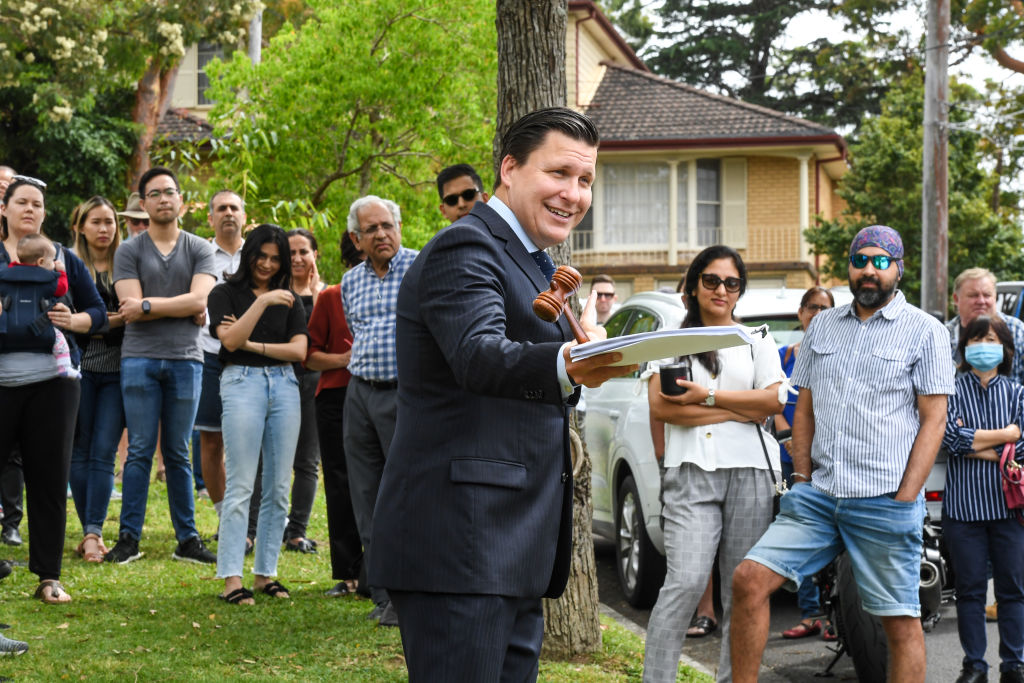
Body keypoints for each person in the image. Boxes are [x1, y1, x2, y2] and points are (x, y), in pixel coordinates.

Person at [370, 107, 634, 680]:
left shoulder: (532, 262)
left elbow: (531, 384)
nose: (574, 193)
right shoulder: (465, 247)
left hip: (512, 545)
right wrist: (571, 361)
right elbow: (478, 355)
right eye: (560, 173)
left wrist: (580, 349)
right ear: (509, 168)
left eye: (586, 180)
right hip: (461, 543)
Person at [730, 225, 955, 683]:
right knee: (748, 581)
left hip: (884, 500)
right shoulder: (825, 326)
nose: (869, 270)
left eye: (881, 261)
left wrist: (906, 496)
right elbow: (805, 405)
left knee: (899, 621)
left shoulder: (925, 331)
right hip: (819, 498)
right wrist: (802, 478)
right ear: (849, 267)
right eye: (861, 260)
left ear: (898, 268)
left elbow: (934, 420)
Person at [641, 245, 786, 683]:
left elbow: (773, 399)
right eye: (711, 280)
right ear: (693, 285)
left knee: (740, 590)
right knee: (684, 583)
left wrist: (706, 398)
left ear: (740, 290)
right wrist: (739, 411)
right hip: (690, 472)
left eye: (731, 282)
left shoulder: (757, 338)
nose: (721, 289)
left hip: (752, 475)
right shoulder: (669, 341)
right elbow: (662, 409)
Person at [0, 175, 105, 604]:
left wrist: (73, 321)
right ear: (3, 209)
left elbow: (99, 310)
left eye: (37, 204)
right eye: (21, 202)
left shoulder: (62, 258)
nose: (30, 209)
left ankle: (48, 578)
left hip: (55, 383)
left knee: (48, 477)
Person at [106, 167, 218, 565]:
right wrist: (177, 306)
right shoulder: (130, 250)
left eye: (170, 192)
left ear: (181, 201)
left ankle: (187, 540)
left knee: (178, 453)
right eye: (155, 193)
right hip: (139, 359)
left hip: (187, 360)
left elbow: (200, 302)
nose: (164, 199)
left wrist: (150, 305)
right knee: (138, 450)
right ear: (144, 203)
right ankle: (128, 539)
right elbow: (128, 310)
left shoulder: (200, 249)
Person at [208, 223, 307, 605]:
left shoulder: (293, 299)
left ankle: (266, 574)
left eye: (275, 258)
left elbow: (299, 351)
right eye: (260, 255)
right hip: (241, 382)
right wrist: (263, 303)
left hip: (284, 385)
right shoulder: (223, 293)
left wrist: (251, 343)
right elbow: (229, 341)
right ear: (249, 253)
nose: (266, 264)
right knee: (241, 484)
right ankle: (232, 578)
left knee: (279, 487)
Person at [340, 194, 418, 626]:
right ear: (357, 238)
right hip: (361, 394)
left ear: (399, 227)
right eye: (371, 229)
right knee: (366, 494)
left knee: (404, 496)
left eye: (387, 225)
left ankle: (411, 595)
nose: (381, 234)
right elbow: (357, 331)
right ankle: (384, 595)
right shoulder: (351, 282)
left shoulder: (421, 266)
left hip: (406, 395)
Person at [943, 315, 1024, 683]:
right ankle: (974, 664)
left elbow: (1022, 446)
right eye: (976, 339)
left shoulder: (1018, 393)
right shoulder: (951, 390)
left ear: (1005, 348)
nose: (983, 345)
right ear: (964, 347)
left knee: (1013, 591)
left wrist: (976, 440)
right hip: (964, 510)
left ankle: (1014, 664)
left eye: (991, 338)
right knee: (970, 591)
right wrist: (1005, 436)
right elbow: (949, 440)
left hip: (1011, 510)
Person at [774, 286, 835, 640]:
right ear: (800, 312)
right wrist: (790, 441)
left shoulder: (840, 354)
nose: (817, 313)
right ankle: (810, 613)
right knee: (800, 535)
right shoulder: (783, 357)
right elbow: (774, 403)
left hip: (829, 461)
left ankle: (833, 617)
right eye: (812, 307)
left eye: (825, 308)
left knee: (830, 537)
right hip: (791, 462)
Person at [305, 236, 364, 597]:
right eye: (359, 260)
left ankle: (380, 572)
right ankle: (348, 571)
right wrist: (345, 360)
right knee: (340, 483)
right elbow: (309, 355)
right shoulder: (331, 298)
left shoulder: (397, 294)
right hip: (336, 396)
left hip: (386, 394)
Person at [68, 197, 125, 563]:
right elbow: (66, 316)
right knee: (78, 450)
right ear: (80, 227)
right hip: (79, 367)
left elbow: (133, 312)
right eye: (96, 222)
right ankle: (89, 532)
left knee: (104, 451)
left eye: (110, 222)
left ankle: (93, 532)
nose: (104, 229)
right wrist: (112, 319)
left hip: (119, 370)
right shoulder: (69, 265)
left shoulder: (127, 264)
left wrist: (92, 320)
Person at [194, 190, 245, 527]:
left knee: (251, 440)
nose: (228, 213)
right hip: (208, 356)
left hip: (251, 357)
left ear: (244, 216)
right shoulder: (198, 255)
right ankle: (225, 515)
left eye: (234, 208)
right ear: (210, 218)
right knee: (211, 439)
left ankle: (253, 518)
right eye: (221, 208)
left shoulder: (260, 254)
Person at [281, 228, 325, 554]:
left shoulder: (329, 293)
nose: (297, 258)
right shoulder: (274, 292)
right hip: (278, 379)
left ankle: (297, 531)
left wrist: (313, 294)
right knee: (269, 460)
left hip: (313, 383)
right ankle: (257, 528)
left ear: (315, 255)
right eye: (291, 252)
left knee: (306, 461)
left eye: (303, 252)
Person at [947, 268, 1024, 386]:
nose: (981, 301)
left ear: (995, 297)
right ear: (956, 299)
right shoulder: (944, 335)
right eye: (973, 295)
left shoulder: (1017, 331)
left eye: (987, 295)